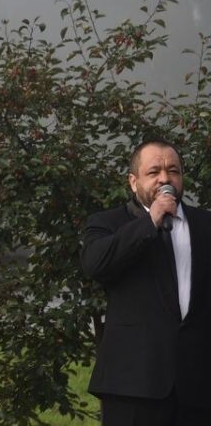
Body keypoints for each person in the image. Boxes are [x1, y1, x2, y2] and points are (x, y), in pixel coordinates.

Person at [81, 139, 211, 425]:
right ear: (133, 181)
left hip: (198, 387)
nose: (165, 178)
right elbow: (95, 264)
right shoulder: (108, 223)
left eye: (173, 171)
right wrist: (150, 220)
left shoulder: (205, 225)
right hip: (133, 386)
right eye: (154, 172)